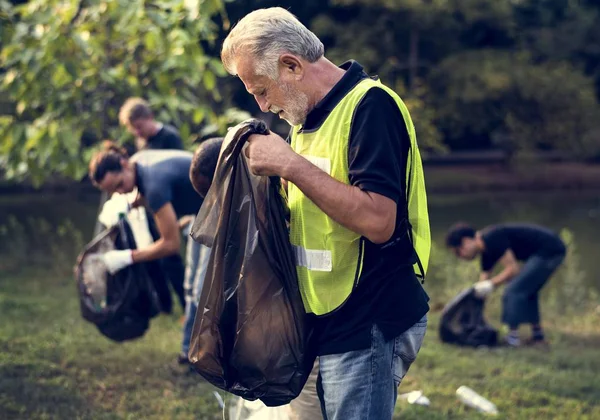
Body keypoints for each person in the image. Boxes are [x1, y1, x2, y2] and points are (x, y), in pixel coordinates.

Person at [220, 8, 431, 419]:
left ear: (292, 65)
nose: (263, 106)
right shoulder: (306, 120)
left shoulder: (371, 107)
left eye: (262, 90)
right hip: (321, 318)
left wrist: (290, 166)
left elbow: (379, 221)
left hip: (368, 318)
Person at [88, 141, 204, 361]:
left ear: (123, 164)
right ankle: (191, 350)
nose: (121, 192)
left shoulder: (153, 185)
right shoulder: (139, 161)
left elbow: (171, 245)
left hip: (224, 207)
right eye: (114, 191)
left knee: (201, 290)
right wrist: (130, 206)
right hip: (202, 210)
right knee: (191, 287)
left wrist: (127, 257)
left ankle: (207, 353)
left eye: (120, 184)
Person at [445, 222, 567, 347]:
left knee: (513, 290)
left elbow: (513, 270)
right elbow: (483, 279)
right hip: (548, 250)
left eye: (458, 252)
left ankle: (512, 339)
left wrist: (491, 285)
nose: (460, 257)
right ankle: (538, 337)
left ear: (465, 241)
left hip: (550, 250)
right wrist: (475, 301)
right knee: (527, 290)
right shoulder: (486, 249)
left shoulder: (491, 238)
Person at [119, 97, 184, 150]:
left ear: (150, 117)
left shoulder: (170, 137)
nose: (137, 132)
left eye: (139, 126)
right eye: (133, 129)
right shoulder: (141, 142)